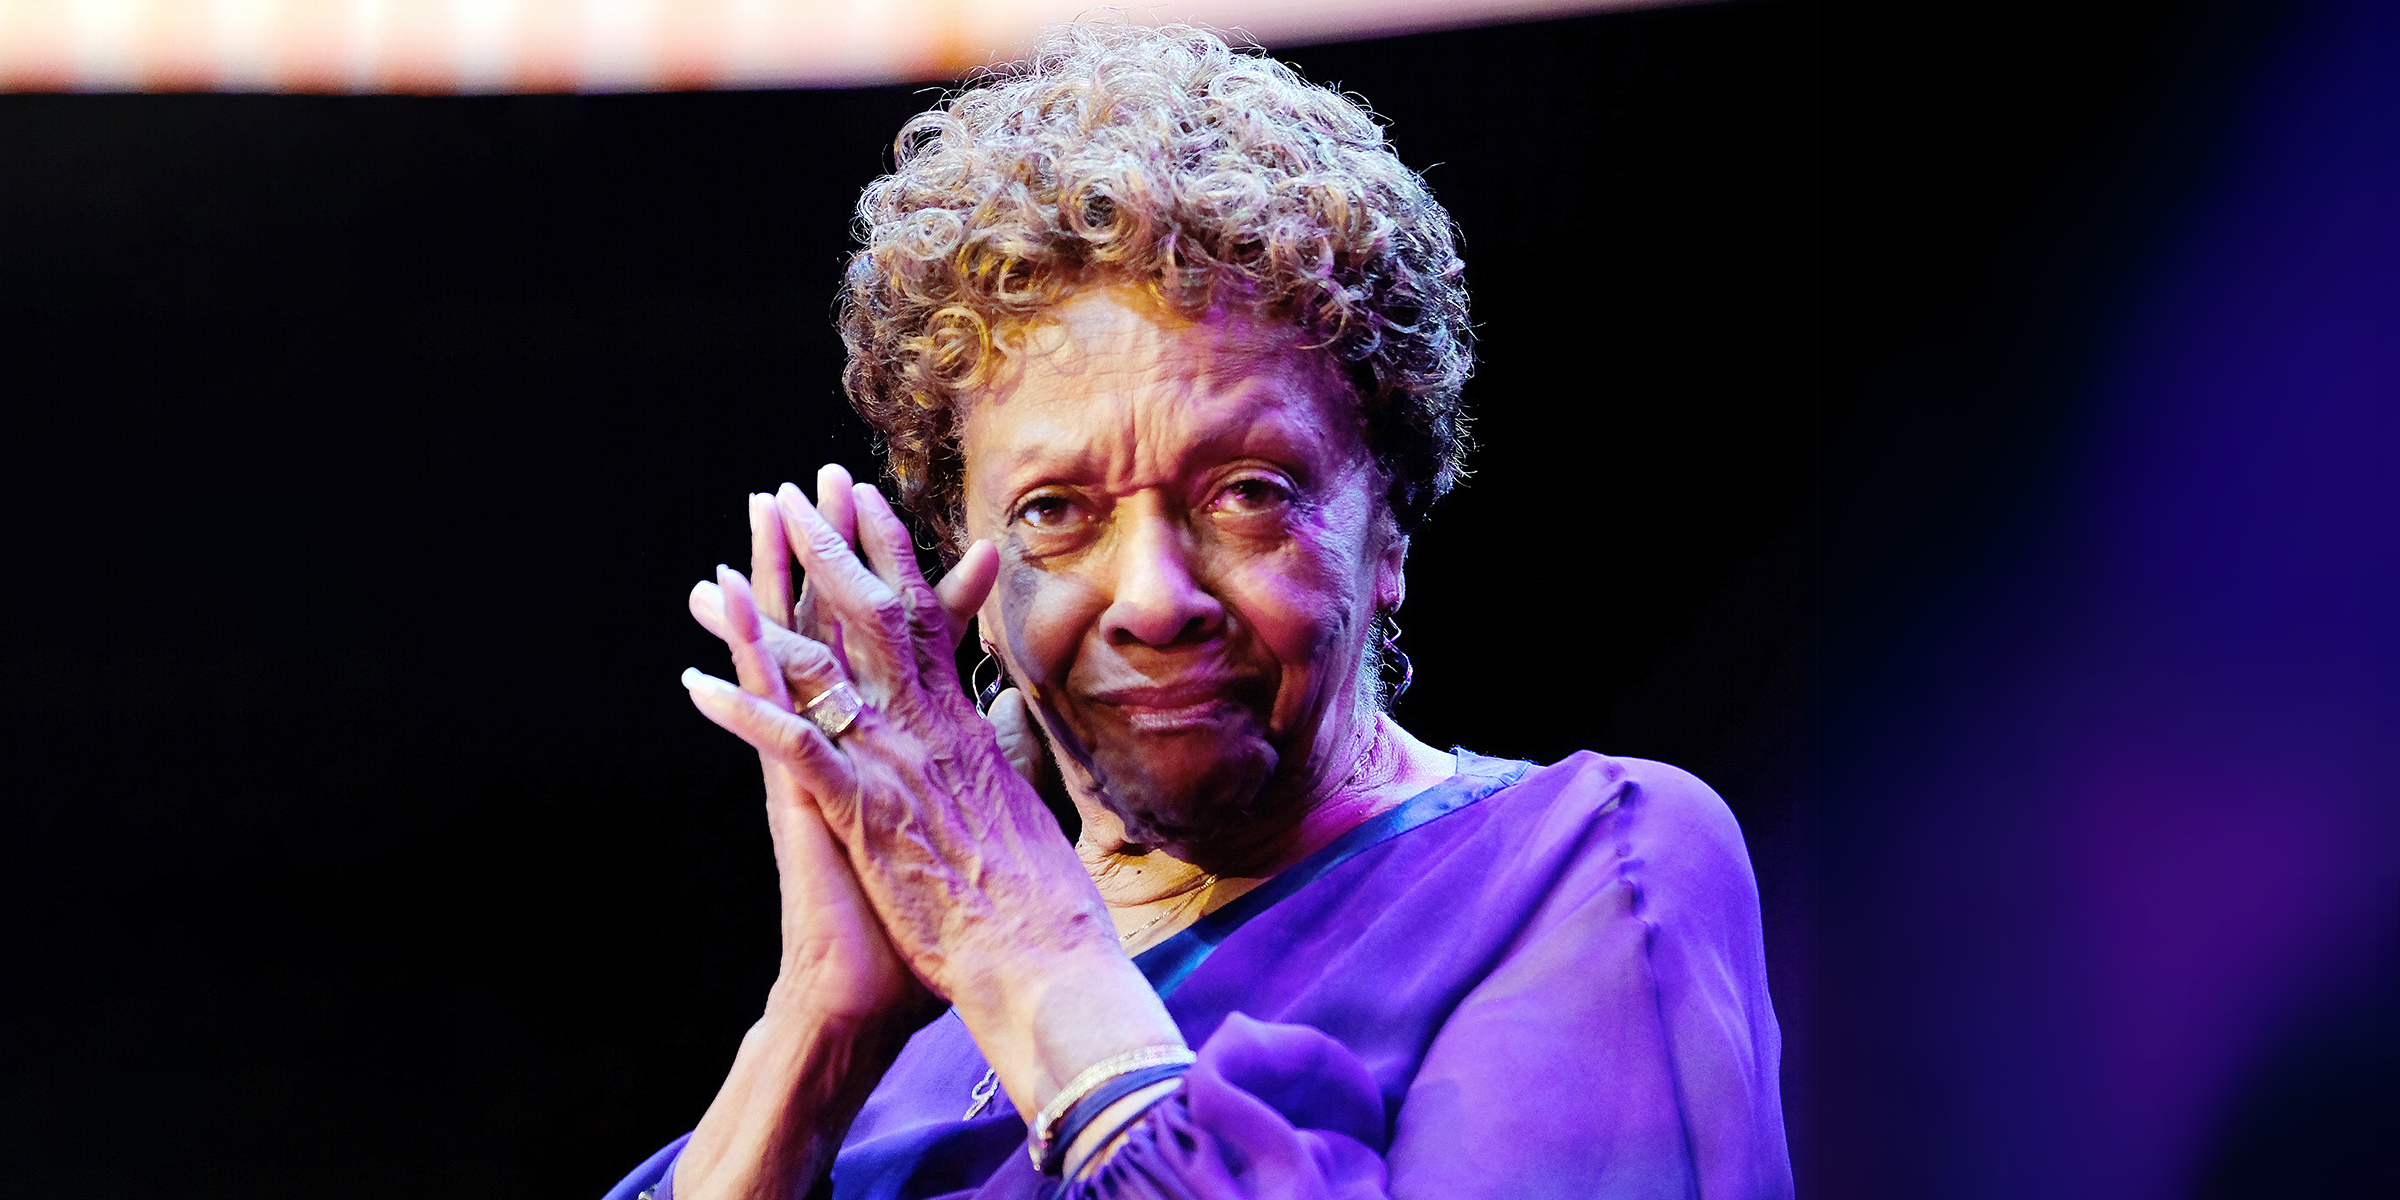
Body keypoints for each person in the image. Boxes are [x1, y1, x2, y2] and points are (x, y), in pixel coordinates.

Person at [606, 22, 1789, 1200]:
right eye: (1058, 511)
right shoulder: (908, 1039)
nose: (1155, 598)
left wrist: (1021, 943)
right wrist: (818, 1024)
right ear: (966, 576)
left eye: (1247, 495)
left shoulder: (1577, 866)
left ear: (1390, 530)